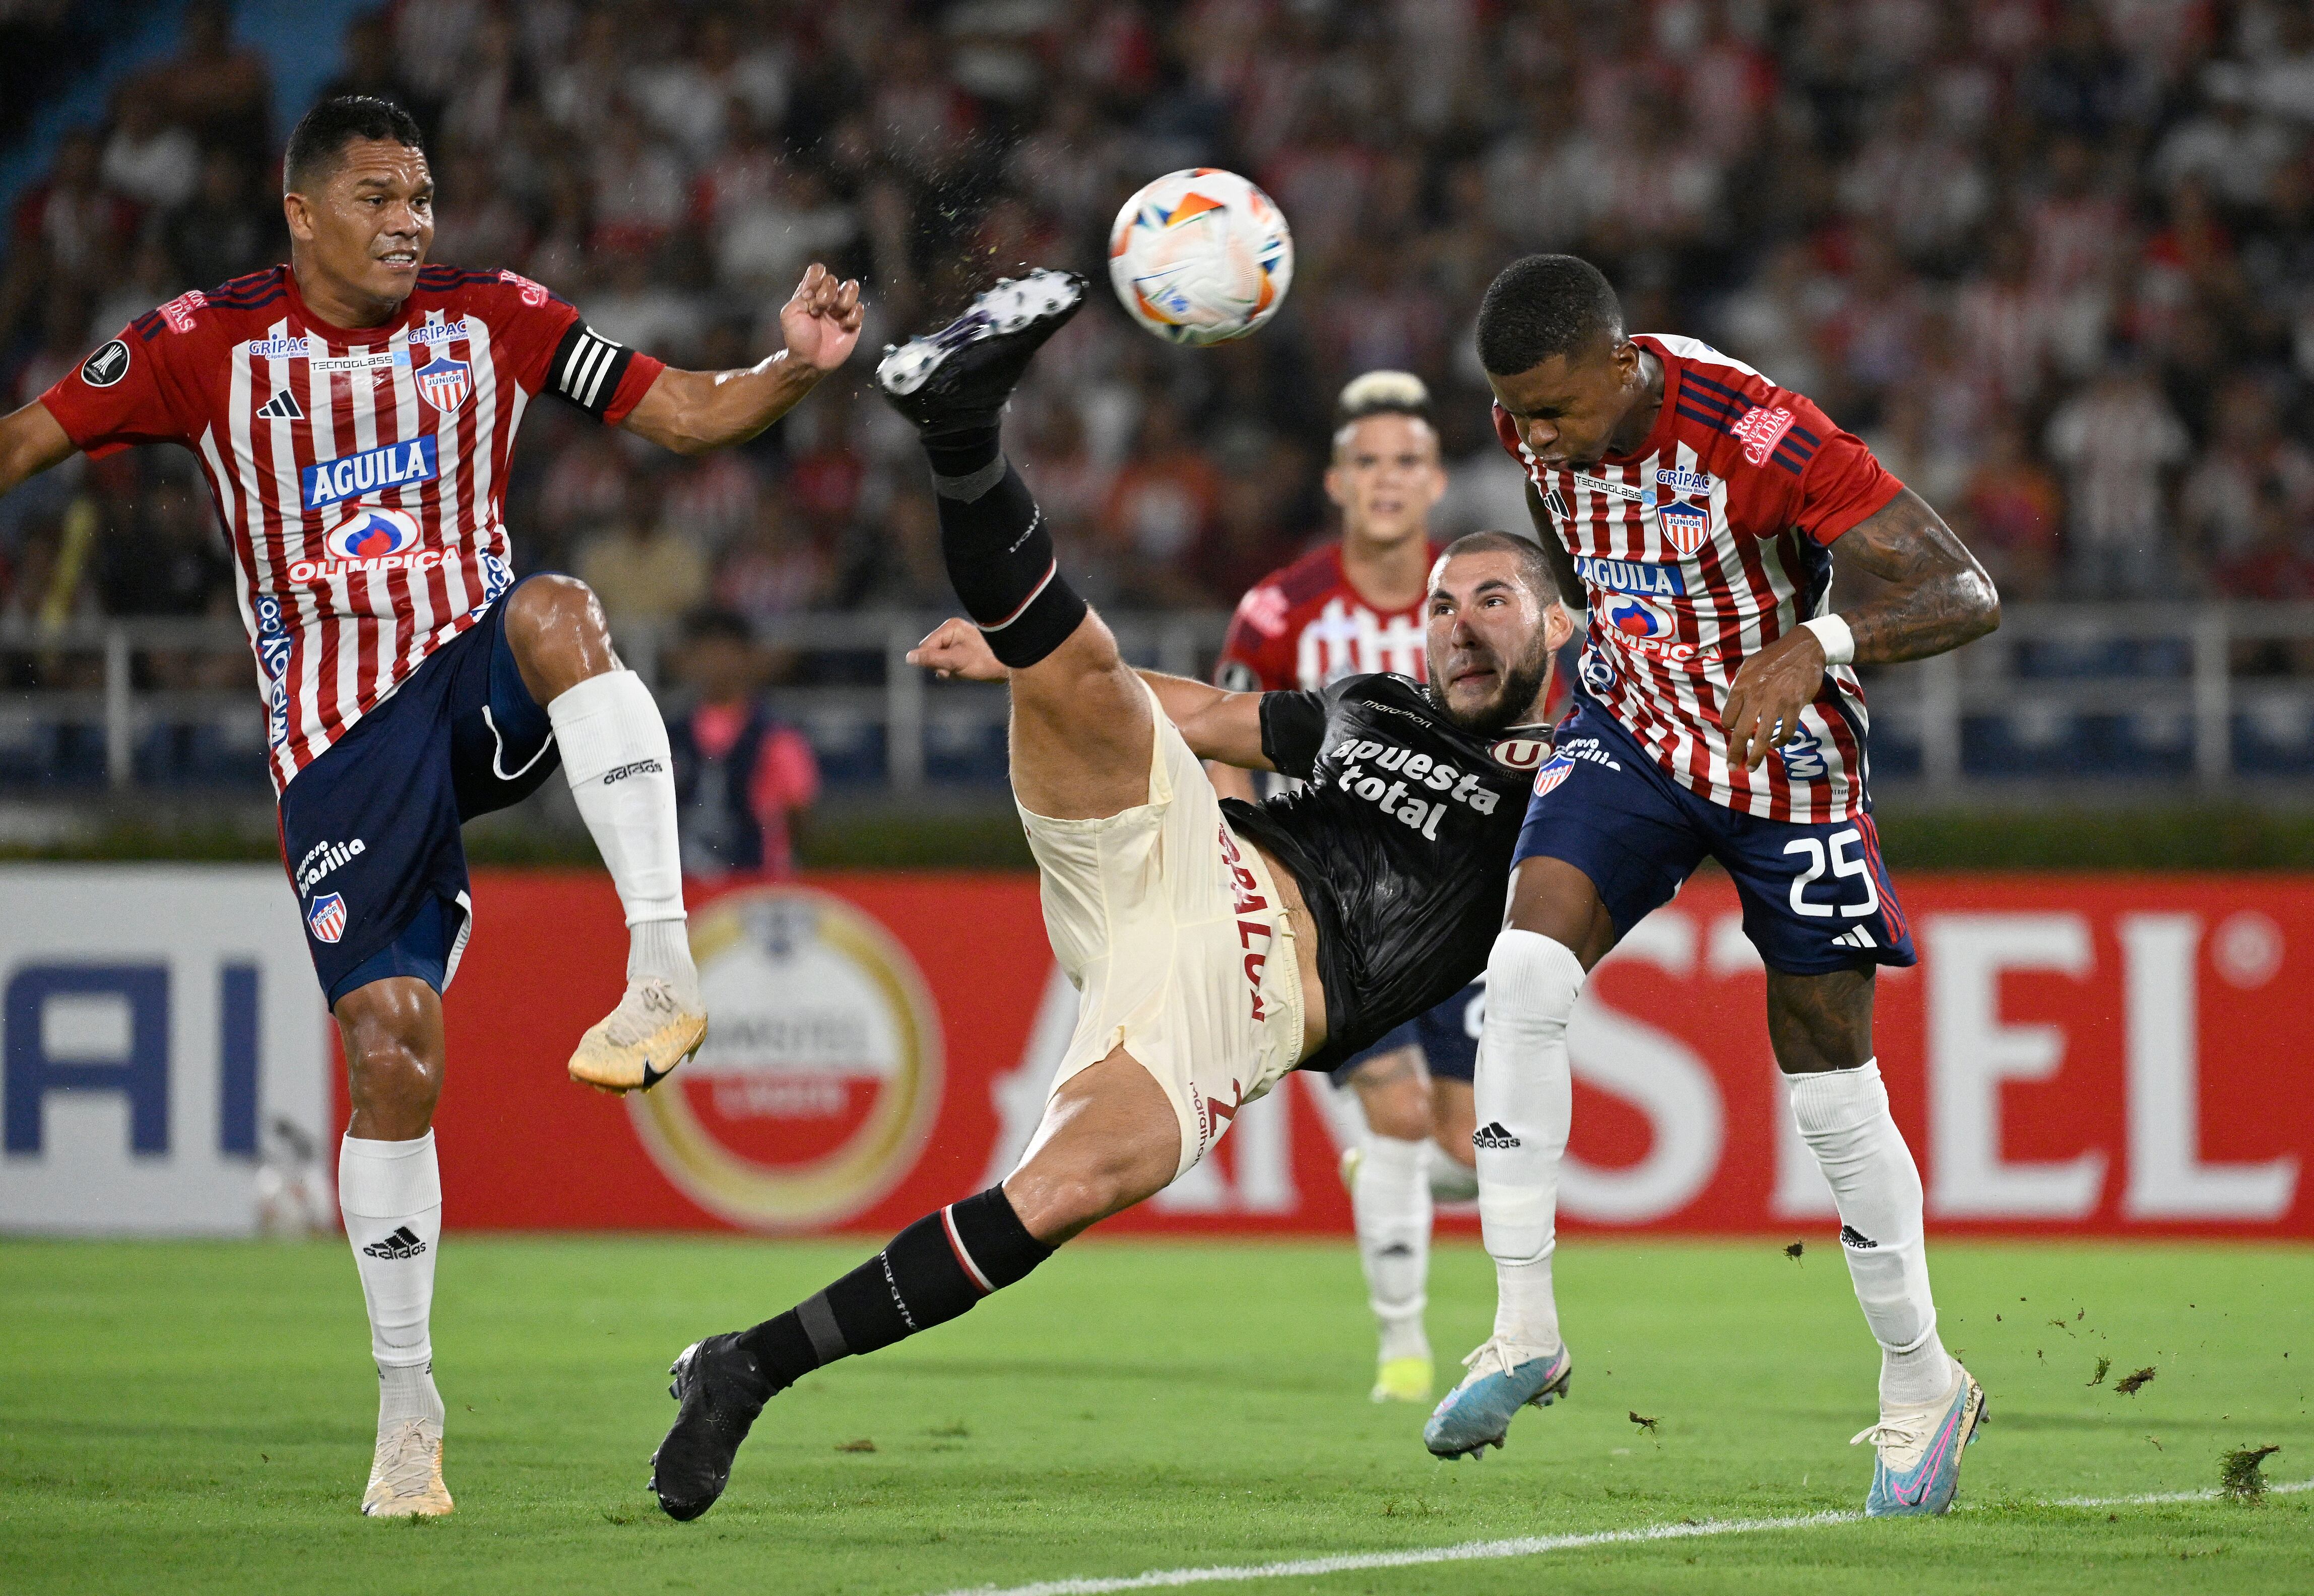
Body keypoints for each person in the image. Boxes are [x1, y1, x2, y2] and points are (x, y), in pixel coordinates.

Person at [0, 96, 863, 1518]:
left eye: (424, 197)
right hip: (339, 744)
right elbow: (30, 440)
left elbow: (690, 410)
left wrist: (798, 363)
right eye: (380, 197)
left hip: (472, 680)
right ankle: (410, 1406)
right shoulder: (200, 346)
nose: (413, 221)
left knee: (562, 611)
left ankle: (661, 966)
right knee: (394, 1052)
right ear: (301, 212)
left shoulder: (499, 315)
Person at [644, 270, 1574, 1522]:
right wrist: (1017, 651)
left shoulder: (1581, 779)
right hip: (1197, 857)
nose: (1457, 624)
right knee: (1079, 671)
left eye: (1493, 601)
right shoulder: (1375, 705)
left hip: (1248, 1001)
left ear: (1563, 627)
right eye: (1444, 605)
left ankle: (742, 1367)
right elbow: (1196, 712)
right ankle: (962, 428)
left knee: (1060, 1193)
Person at [1425, 254, 2000, 1518]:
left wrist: (1818, 640)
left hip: (1780, 756)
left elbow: (1965, 589)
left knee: (1831, 1084)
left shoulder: (1758, 433)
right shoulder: (1532, 416)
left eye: (1561, 412)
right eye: (1521, 418)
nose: (1540, 440)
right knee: (1520, 970)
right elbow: (1599, 566)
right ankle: (1524, 1328)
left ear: (1622, 367)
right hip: (1631, 731)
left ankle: (1923, 1380)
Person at [1211, 369, 1497, 1405]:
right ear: (1336, 482)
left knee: (1467, 1154)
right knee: (1397, 1115)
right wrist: (1244, 862)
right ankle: (1403, 1354)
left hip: (1454, 909)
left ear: (1435, 484)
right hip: (1330, 901)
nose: (1386, 479)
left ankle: (1386, 1182)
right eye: (1367, 461)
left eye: (1407, 461)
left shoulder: (1478, 600)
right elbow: (1222, 736)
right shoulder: (1281, 607)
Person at [667, 607, 821, 879]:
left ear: (749, 658)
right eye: (707, 653)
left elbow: (799, 819)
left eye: (727, 652)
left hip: (753, 890)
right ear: (688, 660)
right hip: (682, 890)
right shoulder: (669, 737)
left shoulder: (777, 738)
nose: (717, 663)